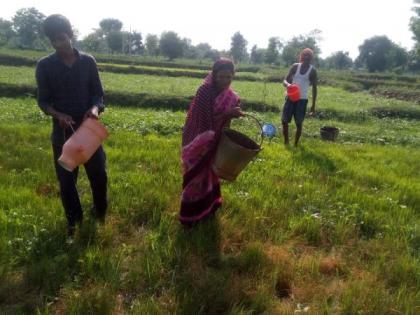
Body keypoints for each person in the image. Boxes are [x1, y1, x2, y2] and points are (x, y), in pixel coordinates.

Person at [35, 14, 108, 238]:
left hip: (88, 131)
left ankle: (100, 213)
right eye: (54, 40)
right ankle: (74, 222)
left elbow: (98, 94)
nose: (59, 44)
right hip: (63, 134)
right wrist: (58, 115)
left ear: (71, 35)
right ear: (50, 42)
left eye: (62, 38)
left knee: (99, 175)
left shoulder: (88, 62)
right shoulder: (45, 66)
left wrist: (95, 109)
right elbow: (43, 101)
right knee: (67, 181)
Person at [180, 58, 243, 227]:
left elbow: (225, 123)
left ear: (233, 76)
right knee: (194, 179)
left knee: (210, 176)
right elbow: (203, 119)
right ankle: (189, 217)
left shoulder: (231, 96)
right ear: (214, 75)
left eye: (228, 77)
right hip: (196, 139)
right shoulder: (204, 91)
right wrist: (227, 113)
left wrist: (231, 115)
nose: (225, 81)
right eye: (221, 76)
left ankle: (208, 210)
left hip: (215, 141)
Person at [282, 48, 318, 146]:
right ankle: (286, 142)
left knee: (299, 123)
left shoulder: (312, 71)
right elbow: (285, 81)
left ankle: (296, 145)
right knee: (284, 120)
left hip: (302, 100)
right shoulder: (295, 66)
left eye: (309, 56)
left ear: (311, 59)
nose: (306, 57)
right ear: (301, 57)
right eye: (304, 55)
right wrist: (288, 85)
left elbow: (315, 89)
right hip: (290, 97)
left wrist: (313, 105)